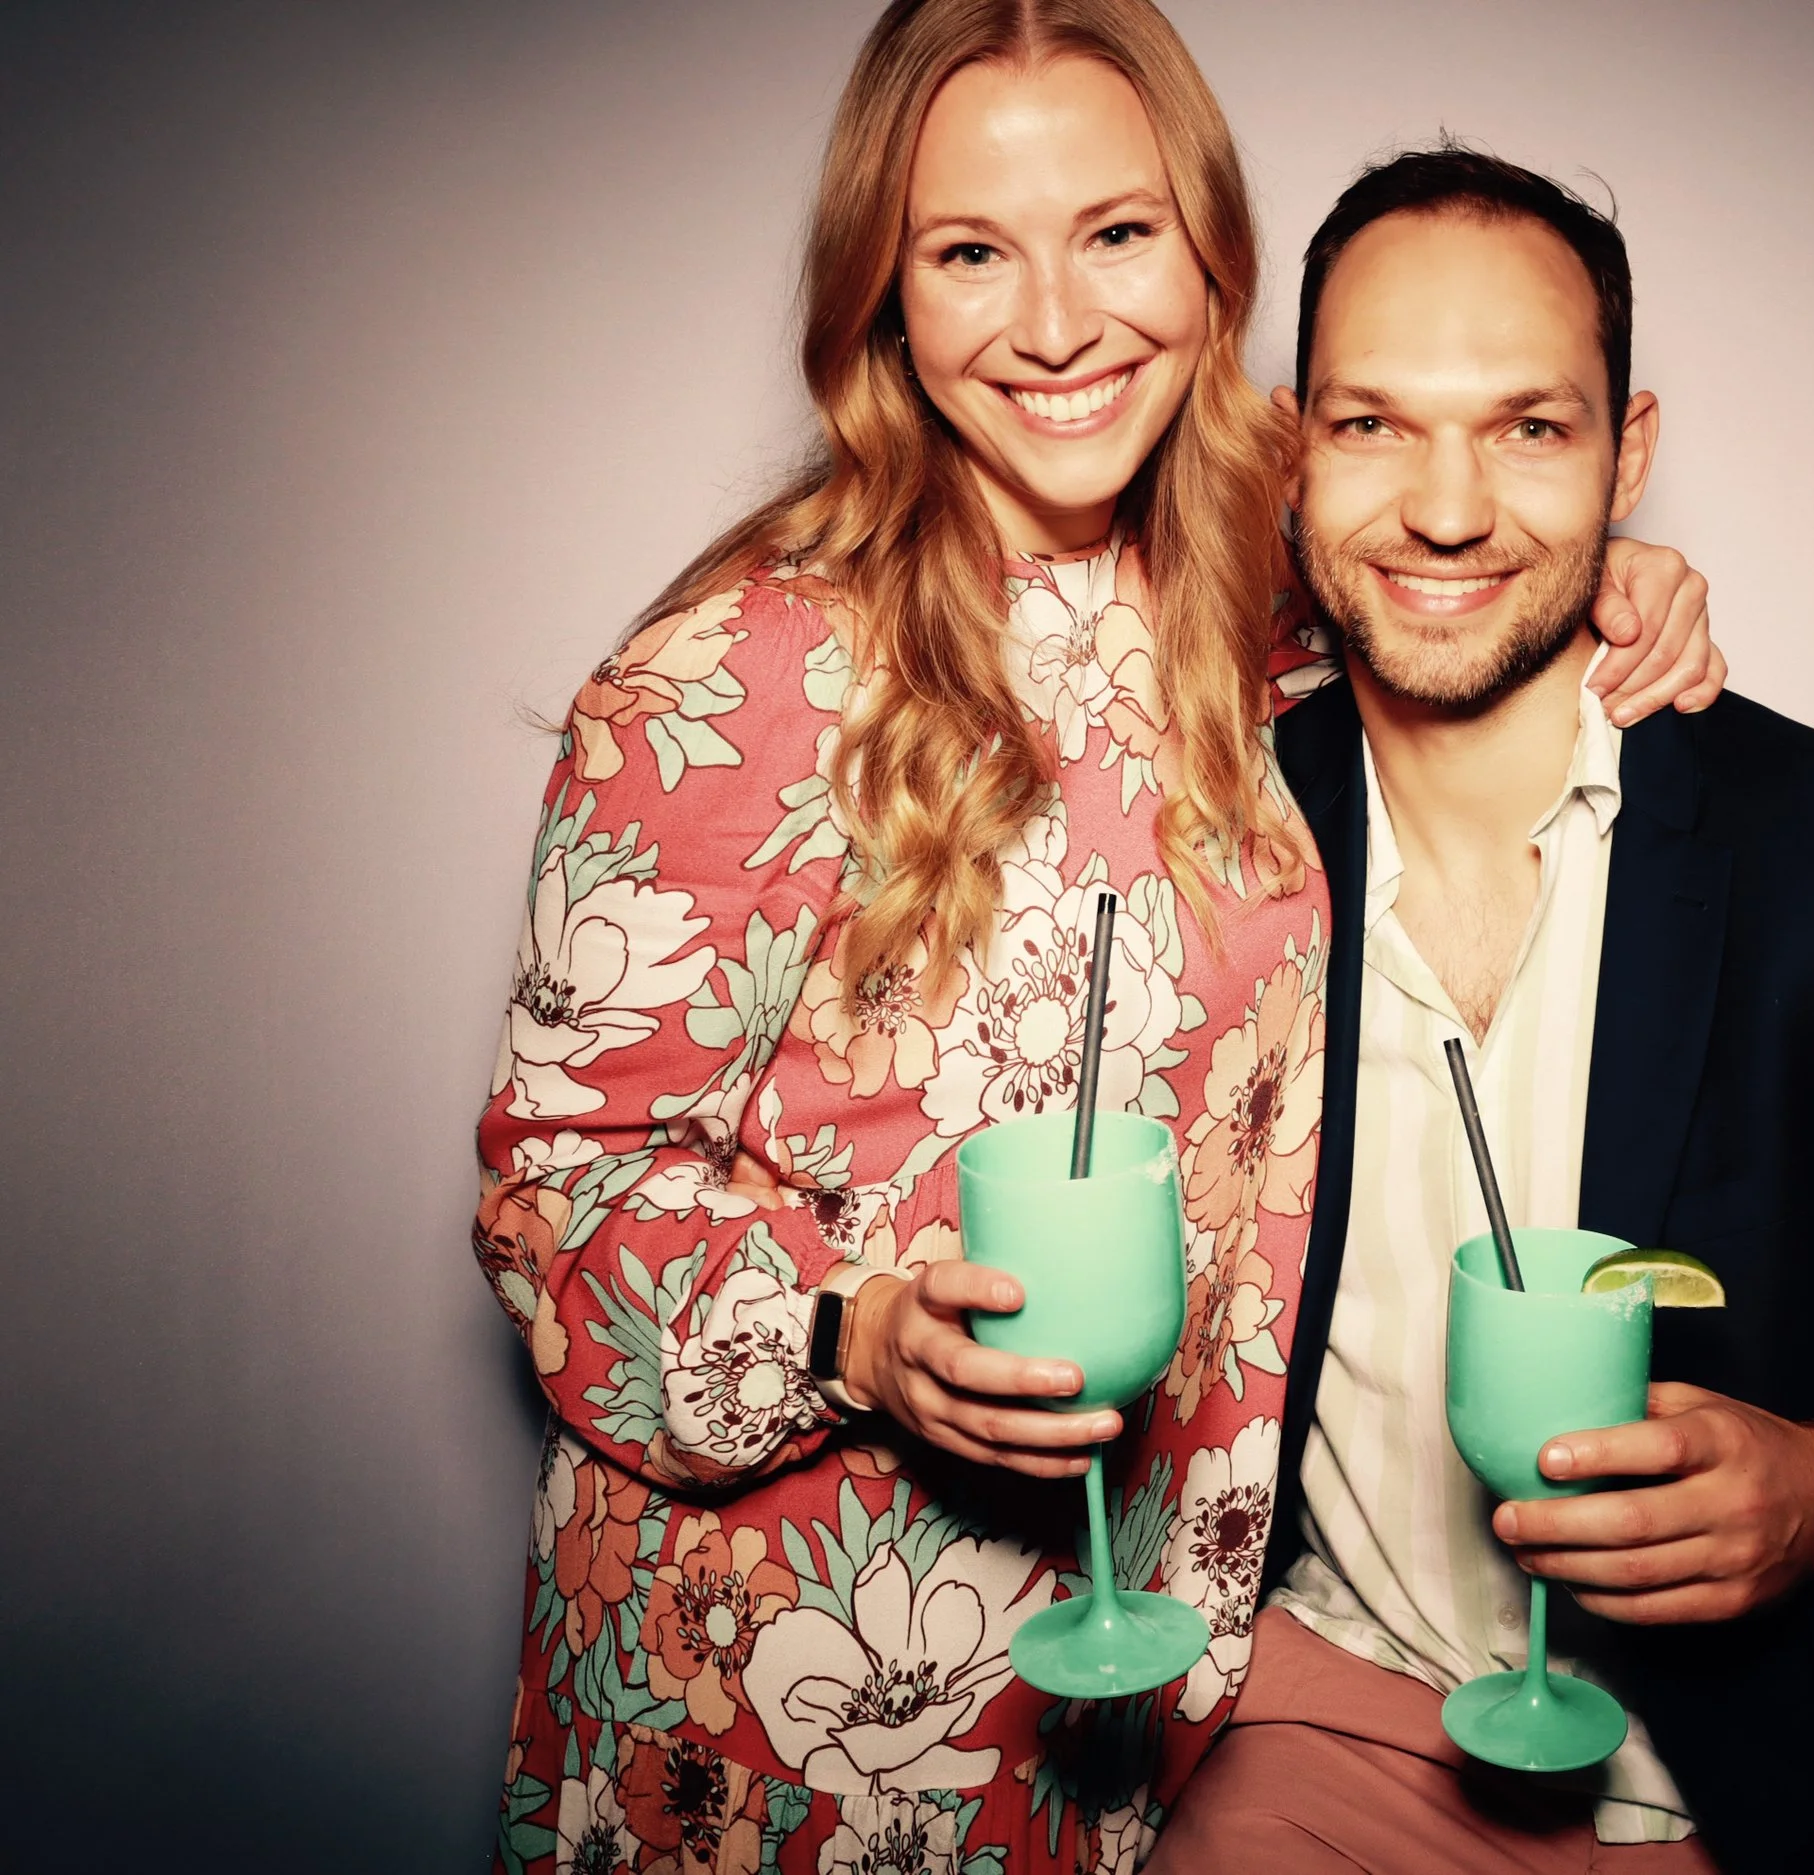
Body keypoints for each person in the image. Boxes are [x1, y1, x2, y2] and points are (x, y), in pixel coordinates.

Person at [470, 5, 1719, 1869]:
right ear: (885, 298)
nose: (1057, 324)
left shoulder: (1265, 614)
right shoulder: (731, 676)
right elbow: (550, 1201)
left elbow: (1449, 563)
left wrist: (1603, 568)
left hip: (1173, 1687)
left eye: (1117, 234)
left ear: (1213, 257)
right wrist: (858, 1333)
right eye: (973, 251)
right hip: (790, 1687)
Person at [1148, 148, 1814, 1874]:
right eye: (1374, 425)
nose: (1446, 506)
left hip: (1763, 1797)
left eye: (1529, 429)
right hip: (1317, 1733)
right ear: (1293, 444)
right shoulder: (1195, 828)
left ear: (1630, 449)